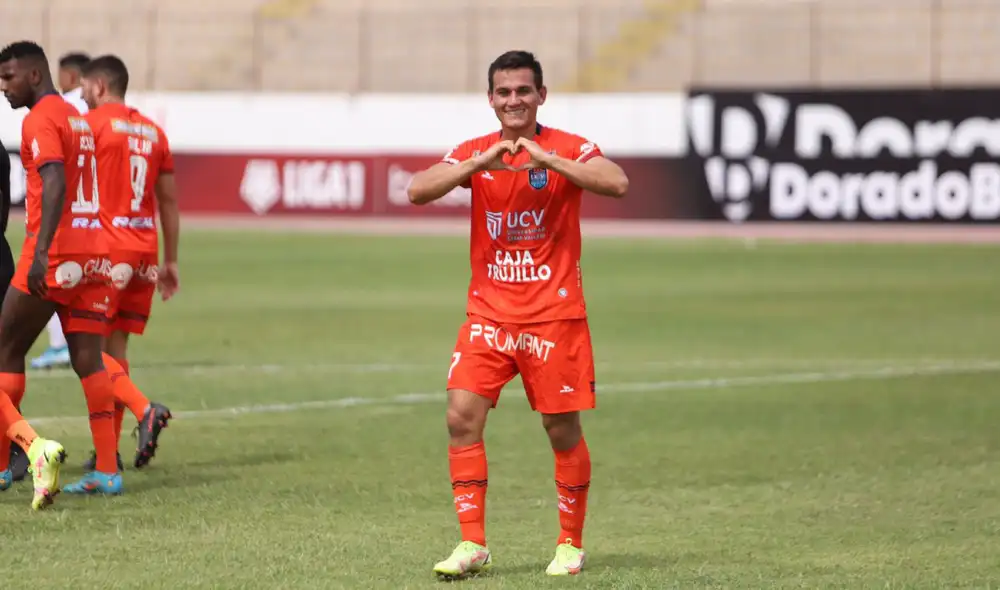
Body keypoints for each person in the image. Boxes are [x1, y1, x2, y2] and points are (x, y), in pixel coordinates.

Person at [406, 50, 629, 579]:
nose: (513, 101)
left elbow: (616, 182)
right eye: (503, 92)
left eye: (523, 91)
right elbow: (417, 190)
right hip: (489, 313)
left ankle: (570, 545)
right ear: (491, 99)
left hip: (554, 315)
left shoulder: (568, 147)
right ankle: (472, 543)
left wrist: (551, 162)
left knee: (560, 429)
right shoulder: (475, 153)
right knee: (461, 415)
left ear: (541, 96)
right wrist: (475, 166)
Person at [0, 40, 121, 504]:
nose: (4, 88)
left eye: (9, 77)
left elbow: (54, 179)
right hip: (95, 253)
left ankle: (21, 456)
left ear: (34, 75)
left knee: (5, 349)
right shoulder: (79, 119)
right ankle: (107, 471)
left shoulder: (41, 118)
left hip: (55, 252)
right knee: (89, 361)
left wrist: (44, 251)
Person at [63, 54, 175, 487]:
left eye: (85, 89)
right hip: (146, 251)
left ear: (98, 85)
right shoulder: (153, 131)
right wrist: (172, 260)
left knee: (88, 350)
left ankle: (145, 409)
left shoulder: (91, 126)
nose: (83, 97)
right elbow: (169, 201)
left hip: (108, 251)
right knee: (116, 349)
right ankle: (106, 453)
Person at [31, 51, 90, 371]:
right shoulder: (98, 108)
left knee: (48, 278)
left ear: (71, 75)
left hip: (64, 210)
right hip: (93, 210)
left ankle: (59, 345)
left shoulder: (63, 106)